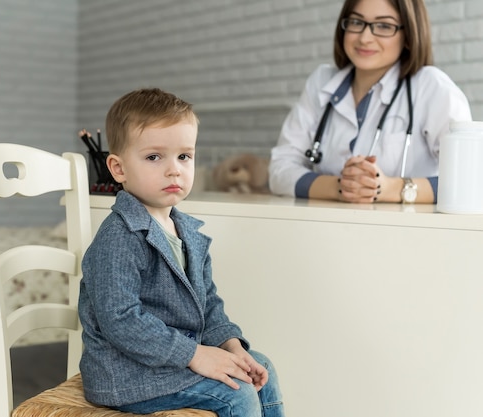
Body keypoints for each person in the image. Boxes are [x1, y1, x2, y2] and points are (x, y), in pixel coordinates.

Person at [78, 88, 285, 417]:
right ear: (118, 169)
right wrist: (195, 354)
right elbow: (121, 322)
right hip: (129, 373)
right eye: (154, 157)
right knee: (238, 395)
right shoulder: (119, 238)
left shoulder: (189, 233)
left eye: (184, 156)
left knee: (261, 368)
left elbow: (209, 305)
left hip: (174, 360)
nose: (174, 169)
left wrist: (230, 346)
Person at [269, 0, 472, 204]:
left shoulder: (431, 86)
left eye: (384, 26)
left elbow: (471, 180)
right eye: (356, 22)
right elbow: (279, 169)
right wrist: (340, 186)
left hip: (406, 233)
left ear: (409, 36)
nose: (365, 38)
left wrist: (390, 189)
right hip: (327, 229)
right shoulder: (321, 82)